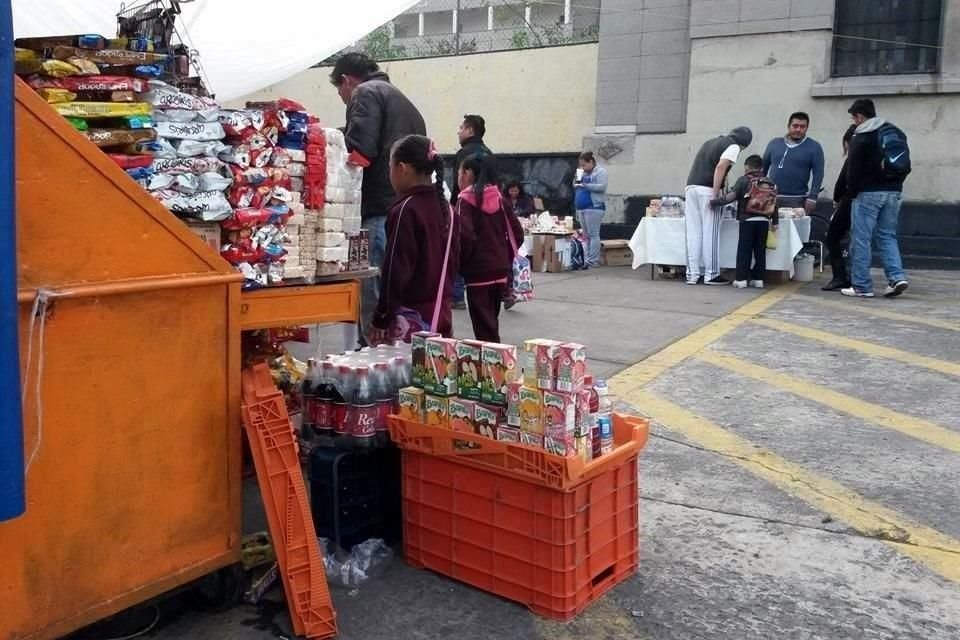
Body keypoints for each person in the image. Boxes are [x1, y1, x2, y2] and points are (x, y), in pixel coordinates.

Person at [330, 53, 427, 341]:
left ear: (346, 81)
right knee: (396, 283)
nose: (343, 97)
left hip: (376, 207)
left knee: (372, 283)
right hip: (404, 205)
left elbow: (360, 150)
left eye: (339, 91)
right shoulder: (402, 99)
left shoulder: (365, 92)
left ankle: (371, 355)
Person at [368, 135, 458, 344]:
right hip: (442, 315)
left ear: (402, 168)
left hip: (411, 321)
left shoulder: (405, 210)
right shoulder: (449, 210)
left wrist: (381, 316)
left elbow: (395, 271)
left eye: (389, 167)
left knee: (405, 375)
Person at [842, 99, 910, 299]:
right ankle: (897, 277)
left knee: (861, 239)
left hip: (868, 193)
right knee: (887, 235)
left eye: (853, 117)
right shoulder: (895, 132)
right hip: (894, 192)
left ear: (860, 116)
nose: (853, 121)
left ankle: (862, 286)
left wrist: (852, 192)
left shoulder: (862, 135)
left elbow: (852, 170)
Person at [457, 154, 524, 343]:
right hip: (500, 270)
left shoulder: (465, 201)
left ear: (468, 173)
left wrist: (461, 264)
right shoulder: (501, 200)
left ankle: (494, 366)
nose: (459, 176)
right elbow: (517, 234)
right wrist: (505, 256)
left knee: (484, 329)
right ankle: (494, 364)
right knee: (491, 321)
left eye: (460, 171)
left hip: (477, 272)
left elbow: (464, 237)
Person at [684, 127, 753, 285]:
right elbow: (721, 166)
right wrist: (716, 195)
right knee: (711, 232)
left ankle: (692, 274)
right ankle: (712, 274)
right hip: (708, 190)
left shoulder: (710, 142)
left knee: (694, 233)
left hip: (691, 187)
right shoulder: (734, 146)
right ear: (744, 145)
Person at [711, 155, 779, 289]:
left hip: (748, 220)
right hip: (764, 221)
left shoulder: (743, 180)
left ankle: (741, 279)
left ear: (747, 167)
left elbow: (731, 197)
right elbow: (775, 204)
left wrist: (714, 202)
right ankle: (758, 279)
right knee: (760, 251)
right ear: (761, 168)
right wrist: (775, 222)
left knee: (744, 250)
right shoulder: (770, 182)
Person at [451, 114, 493, 310]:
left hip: (467, 204)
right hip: (489, 207)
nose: (458, 131)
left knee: (459, 244)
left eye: (461, 127)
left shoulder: (464, 154)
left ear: (470, 130)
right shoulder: (488, 153)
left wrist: (453, 205)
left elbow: (457, 185)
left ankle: (457, 294)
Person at [762, 112, 825, 213]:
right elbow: (763, 169)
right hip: (772, 197)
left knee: (795, 229)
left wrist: (813, 197)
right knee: (771, 229)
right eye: (795, 126)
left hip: (797, 200)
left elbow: (818, 174)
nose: (798, 129)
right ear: (788, 126)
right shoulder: (774, 144)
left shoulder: (814, 147)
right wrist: (759, 191)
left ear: (807, 128)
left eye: (802, 127)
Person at [821, 125, 857, 291]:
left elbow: (842, 181)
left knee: (832, 237)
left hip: (849, 201)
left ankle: (840, 276)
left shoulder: (853, 156)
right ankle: (855, 276)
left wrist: (836, 199)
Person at [573, 151, 608, 267]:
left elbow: (602, 187)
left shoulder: (600, 172)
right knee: (586, 235)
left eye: (584, 165)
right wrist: (578, 178)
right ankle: (587, 258)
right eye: (580, 165)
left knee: (593, 234)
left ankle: (593, 260)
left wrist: (586, 185)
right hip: (581, 207)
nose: (582, 167)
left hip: (594, 207)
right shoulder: (582, 172)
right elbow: (575, 185)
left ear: (591, 162)